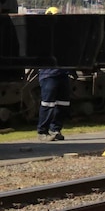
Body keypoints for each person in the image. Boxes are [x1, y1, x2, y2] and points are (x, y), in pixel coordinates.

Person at [37, 7, 71, 142]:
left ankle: (55, 129)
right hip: (48, 74)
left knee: (63, 103)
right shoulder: (43, 35)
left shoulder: (63, 35)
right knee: (48, 104)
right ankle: (42, 131)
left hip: (62, 73)